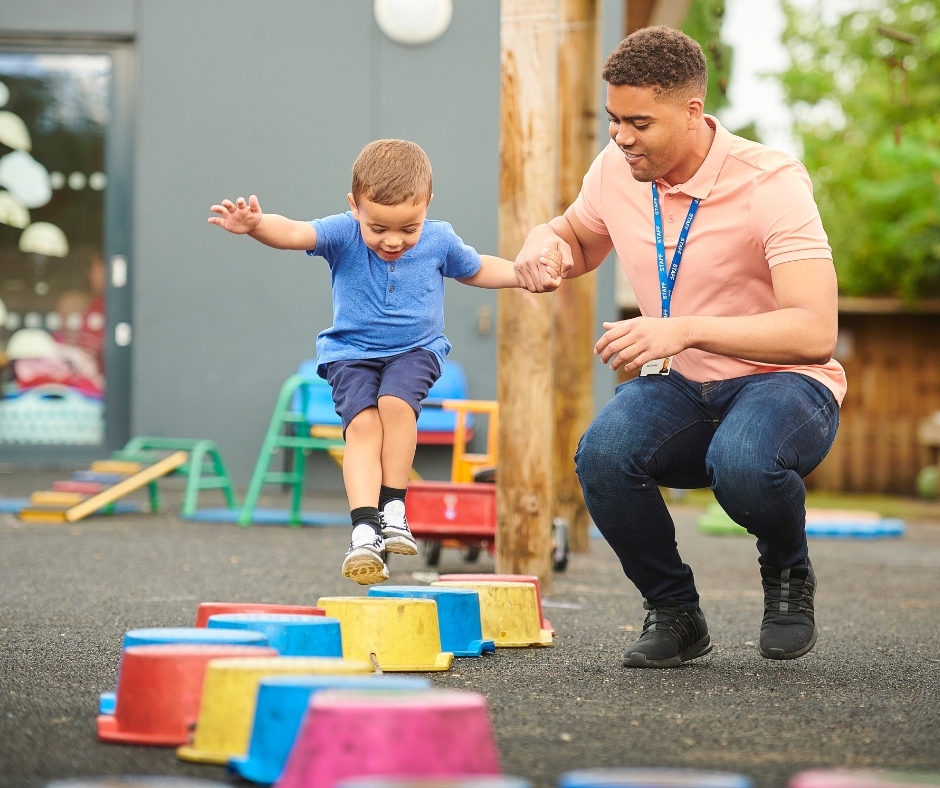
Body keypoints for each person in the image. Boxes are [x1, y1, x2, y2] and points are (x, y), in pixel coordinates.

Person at [514, 27, 845, 667]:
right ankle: (674, 612)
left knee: (744, 461)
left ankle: (786, 569)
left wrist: (683, 327)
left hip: (786, 382)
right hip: (684, 386)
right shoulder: (616, 170)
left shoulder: (771, 182)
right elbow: (579, 239)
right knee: (603, 454)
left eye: (639, 122)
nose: (620, 136)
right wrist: (543, 240)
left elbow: (814, 331)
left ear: (693, 112)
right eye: (614, 119)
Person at [210, 139, 562, 585]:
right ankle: (363, 528)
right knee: (362, 427)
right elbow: (295, 232)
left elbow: (476, 269)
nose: (393, 240)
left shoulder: (439, 239)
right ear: (354, 206)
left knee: (396, 405)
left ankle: (394, 506)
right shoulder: (341, 231)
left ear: (427, 206)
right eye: (378, 228)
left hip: (416, 349)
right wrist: (257, 225)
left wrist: (522, 275)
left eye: (408, 229)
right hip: (350, 354)